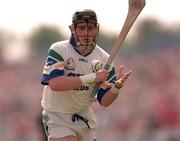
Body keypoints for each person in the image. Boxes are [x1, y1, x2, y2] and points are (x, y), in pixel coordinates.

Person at [41, 9, 132, 141]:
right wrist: (92, 78)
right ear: (73, 29)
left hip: (84, 116)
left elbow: (104, 101)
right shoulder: (59, 49)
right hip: (57, 115)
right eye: (82, 28)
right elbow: (55, 84)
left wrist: (116, 88)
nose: (86, 33)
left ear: (96, 30)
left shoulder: (105, 59)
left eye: (90, 28)